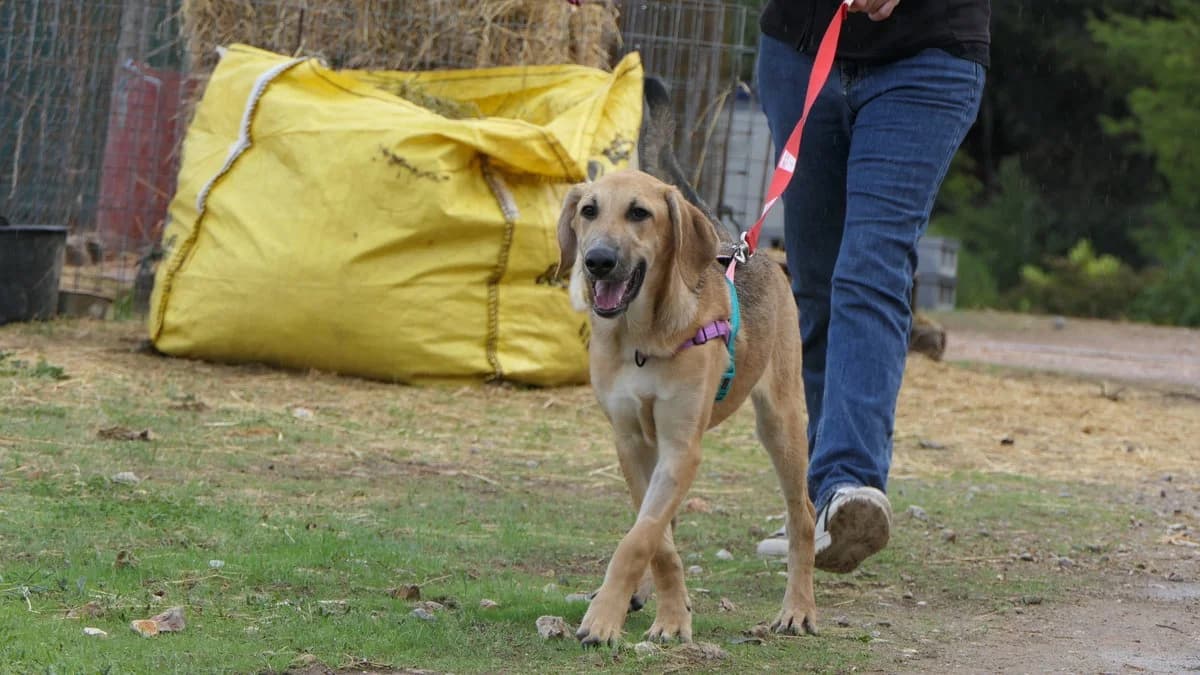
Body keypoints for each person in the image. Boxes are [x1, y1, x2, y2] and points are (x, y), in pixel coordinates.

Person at [753, 0, 990, 572]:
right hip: (800, 49)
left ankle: (848, 484)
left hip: (927, 59)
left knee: (870, 266)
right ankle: (816, 501)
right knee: (816, 283)